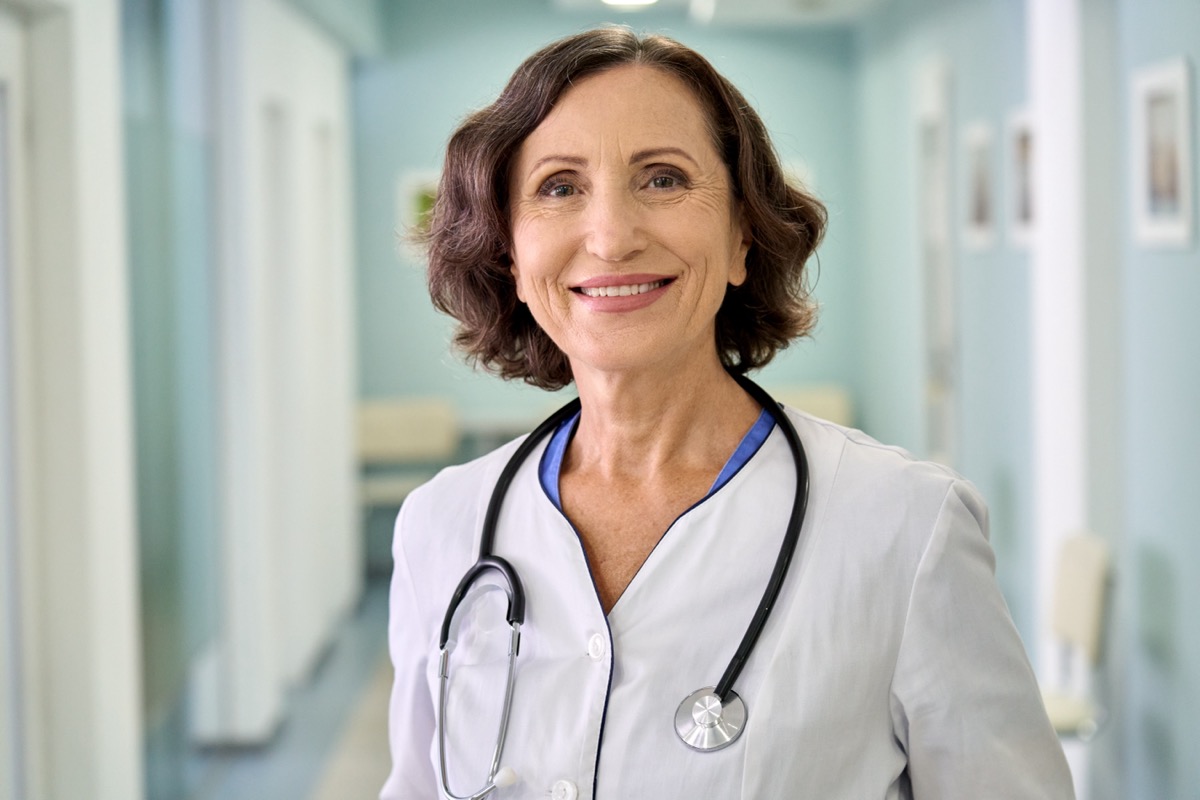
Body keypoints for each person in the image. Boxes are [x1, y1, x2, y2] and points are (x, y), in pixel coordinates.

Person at [381, 27, 1074, 800]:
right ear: (509, 252)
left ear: (743, 235)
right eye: (558, 186)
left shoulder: (905, 529)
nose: (611, 236)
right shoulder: (442, 527)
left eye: (664, 179)